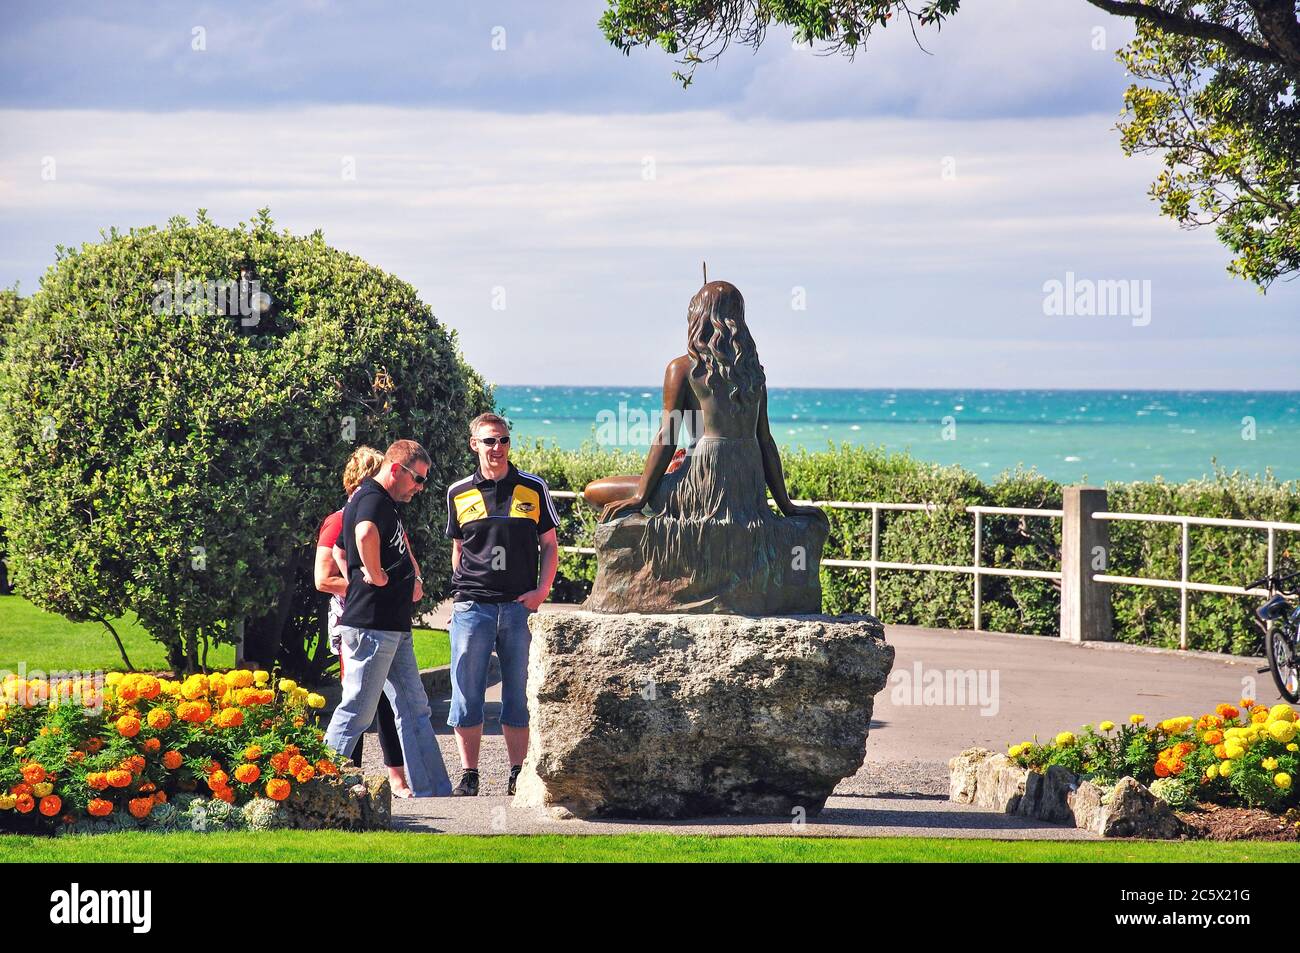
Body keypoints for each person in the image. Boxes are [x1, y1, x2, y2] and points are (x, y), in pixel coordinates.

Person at [324, 439, 452, 797]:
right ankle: (316, 784)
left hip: (391, 627)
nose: (420, 488)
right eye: (418, 479)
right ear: (396, 469)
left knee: (415, 707)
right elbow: (362, 534)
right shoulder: (372, 499)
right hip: (371, 626)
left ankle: (433, 789)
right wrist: (375, 574)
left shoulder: (382, 502)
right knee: (357, 712)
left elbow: (341, 547)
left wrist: (408, 578)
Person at [445, 413, 558, 796]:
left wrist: (541, 592)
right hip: (472, 608)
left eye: (504, 440)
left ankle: (516, 773)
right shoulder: (458, 492)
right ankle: (469, 774)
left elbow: (550, 545)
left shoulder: (533, 487)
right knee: (466, 694)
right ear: (474, 444)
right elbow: (458, 548)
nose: (497, 448)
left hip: (518, 609)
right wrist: (463, 592)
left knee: (518, 695)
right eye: (489, 441)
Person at [315, 446, 411, 797]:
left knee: (382, 701)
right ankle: (339, 774)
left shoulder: (383, 514)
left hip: (381, 618)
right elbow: (323, 577)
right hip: (357, 618)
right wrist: (368, 582)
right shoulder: (342, 519)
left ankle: (393, 776)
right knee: (359, 702)